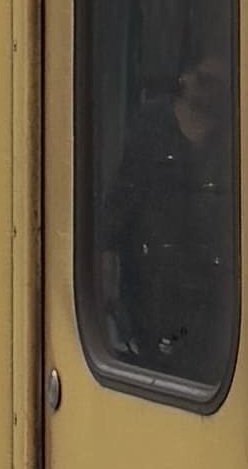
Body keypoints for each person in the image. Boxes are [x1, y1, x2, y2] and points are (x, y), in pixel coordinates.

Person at [96, 51, 236, 378]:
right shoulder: (153, 126)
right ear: (184, 78)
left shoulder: (232, 138)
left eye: (219, 85)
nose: (208, 91)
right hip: (151, 277)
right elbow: (122, 195)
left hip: (210, 282)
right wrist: (105, 260)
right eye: (204, 80)